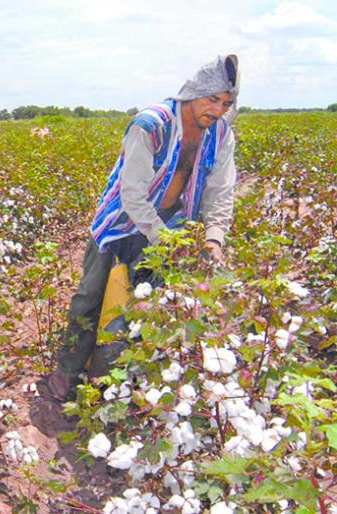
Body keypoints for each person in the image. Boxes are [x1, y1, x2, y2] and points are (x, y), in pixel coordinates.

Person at [46, 55, 240, 401]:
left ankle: (114, 383)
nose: (218, 109)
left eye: (226, 103)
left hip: (172, 223)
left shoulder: (221, 135)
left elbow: (221, 190)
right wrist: (163, 240)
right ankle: (67, 369)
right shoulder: (150, 125)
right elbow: (132, 194)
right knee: (89, 298)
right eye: (212, 100)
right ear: (193, 94)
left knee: (147, 307)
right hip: (121, 220)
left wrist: (213, 238)